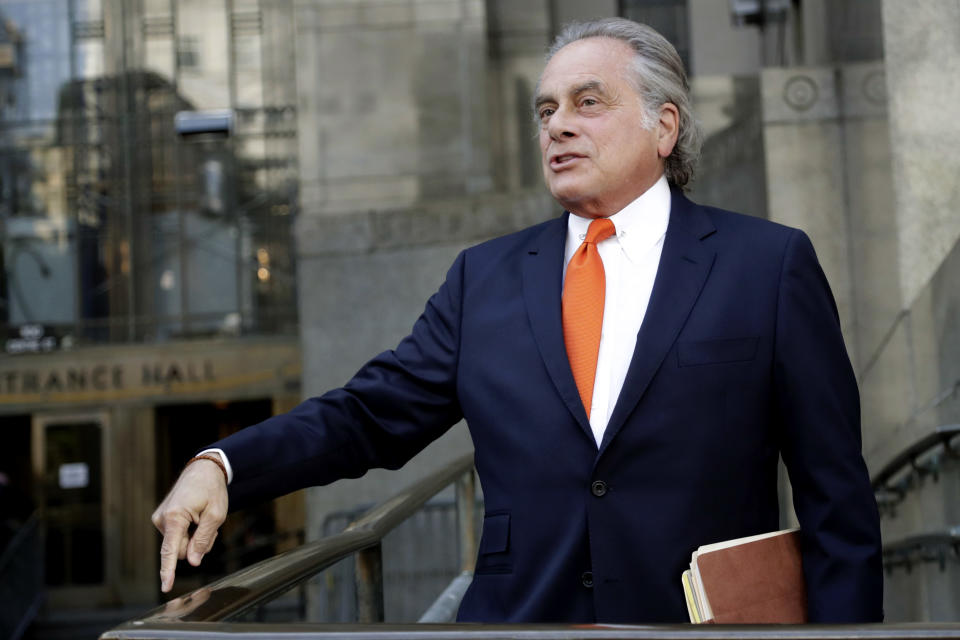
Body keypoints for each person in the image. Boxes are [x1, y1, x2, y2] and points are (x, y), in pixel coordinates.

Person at [153, 18, 883, 623]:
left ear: (664, 126)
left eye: (587, 102)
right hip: (522, 628)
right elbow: (369, 415)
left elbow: (837, 501)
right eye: (545, 110)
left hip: (700, 629)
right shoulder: (485, 279)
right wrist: (223, 465)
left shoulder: (766, 265)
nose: (558, 125)